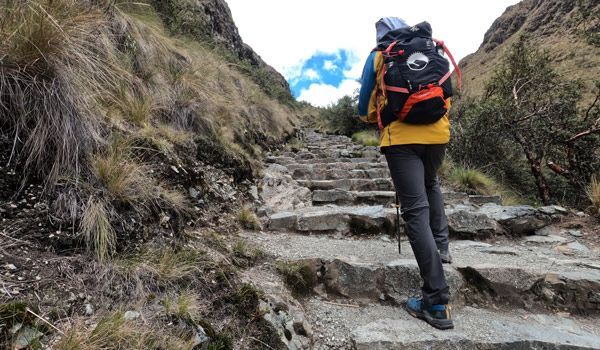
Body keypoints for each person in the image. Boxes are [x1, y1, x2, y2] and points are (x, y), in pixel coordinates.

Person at [357, 17, 454, 330]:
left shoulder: (380, 54)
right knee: (431, 184)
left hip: (401, 140)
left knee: (414, 211)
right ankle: (441, 247)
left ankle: (436, 301)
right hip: (438, 134)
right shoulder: (430, 47)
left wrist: (379, 114)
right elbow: (446, 93)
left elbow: (363, 108)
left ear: (381, 35)